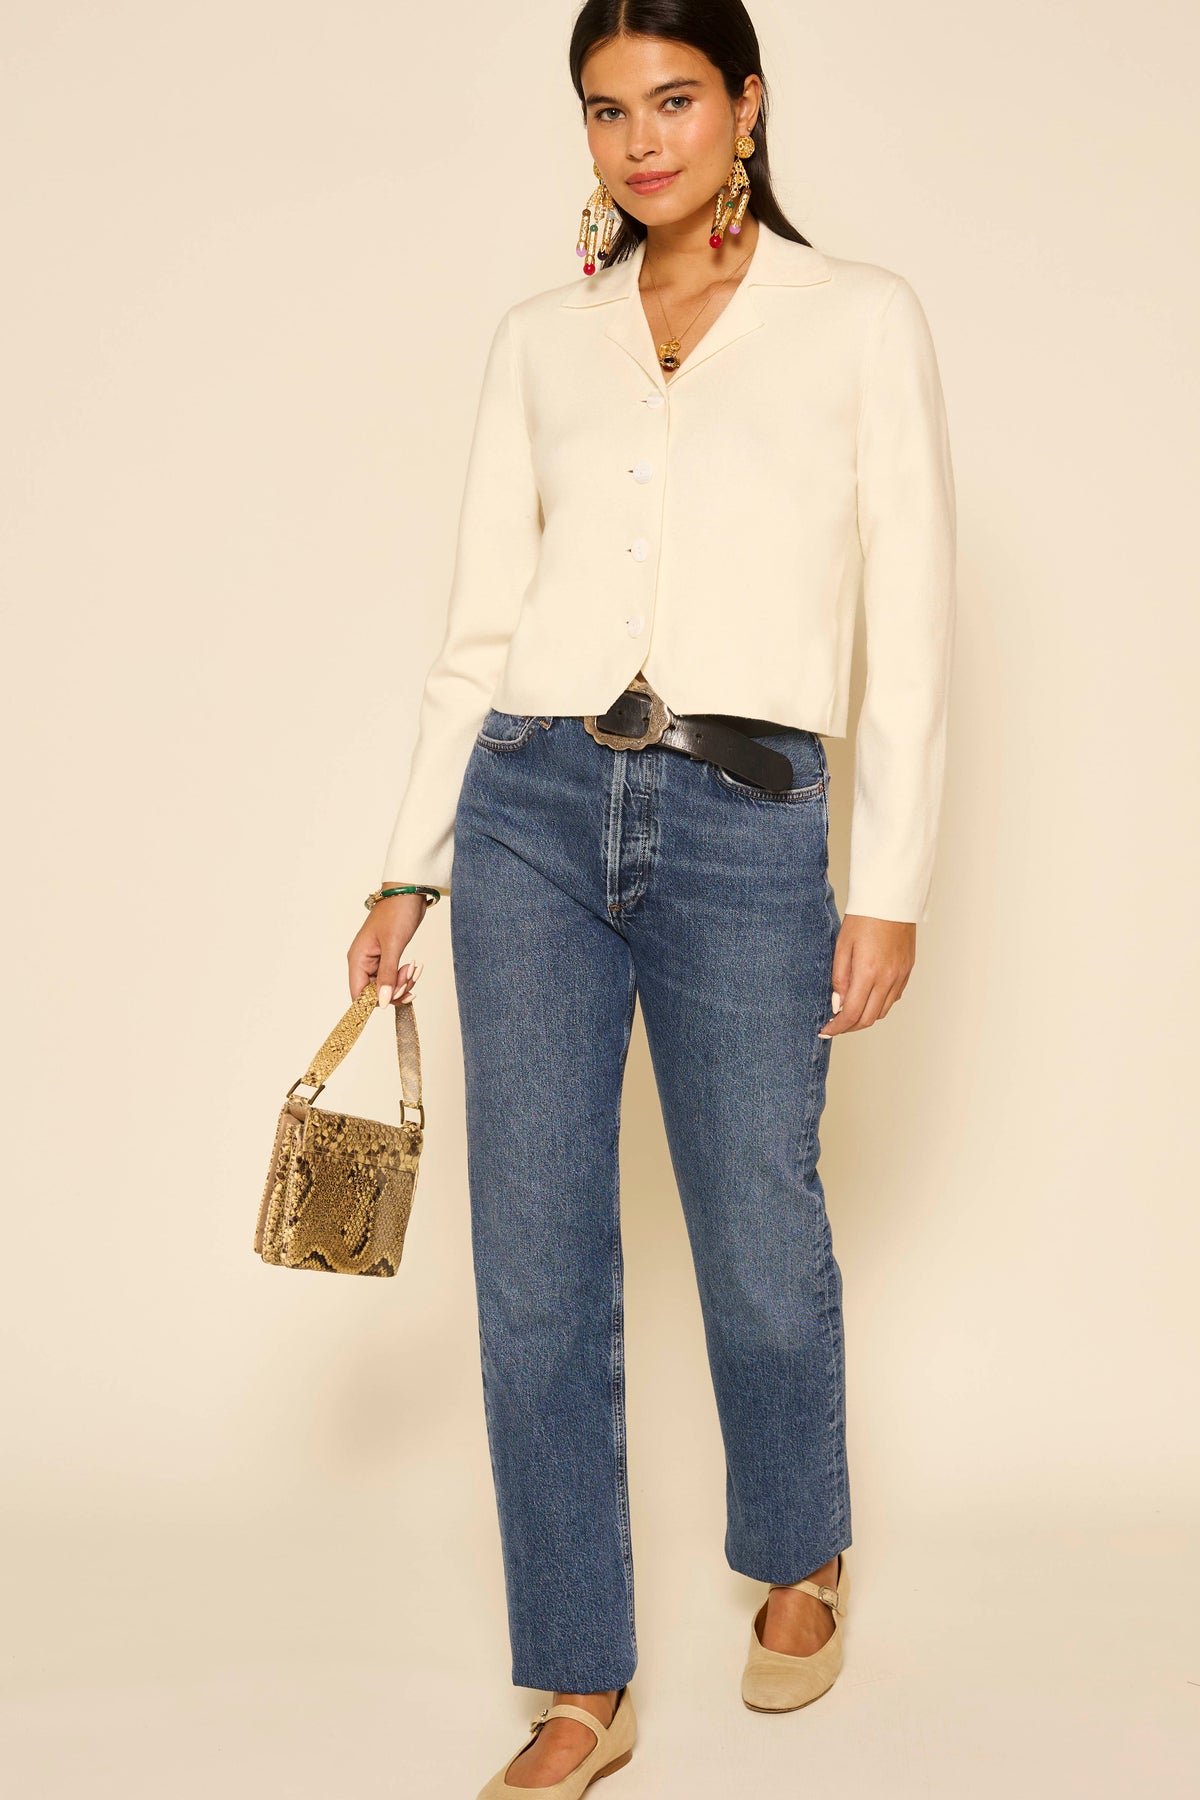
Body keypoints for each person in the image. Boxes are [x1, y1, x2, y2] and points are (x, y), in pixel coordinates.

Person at [347, 3, 956, 1792]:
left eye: (676, 99)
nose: (643, 141)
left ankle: (801, 1547)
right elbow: (475, 633)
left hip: (748, 814)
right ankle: (579, 1684)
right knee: (533, 1267)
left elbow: (909, 621)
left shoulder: (859, 319)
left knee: (759, 1233)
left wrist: (894, 879)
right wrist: (407, 864)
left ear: (747, 104)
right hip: (531, 803)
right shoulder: (546, 342)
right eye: (608, 110)